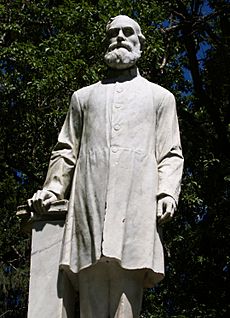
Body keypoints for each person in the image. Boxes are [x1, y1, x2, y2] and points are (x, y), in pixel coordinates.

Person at [29, 15, 184, 318]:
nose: (120, 37)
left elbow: (171, 152)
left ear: (141, 42)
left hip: (135, 211)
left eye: (128, 32)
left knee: (126, 307)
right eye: (113, 33)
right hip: (89, 210)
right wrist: (52, 189)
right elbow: (66, 150)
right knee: (91, 304)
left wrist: (167, 192)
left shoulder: (160, 97)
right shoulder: (83, 97)